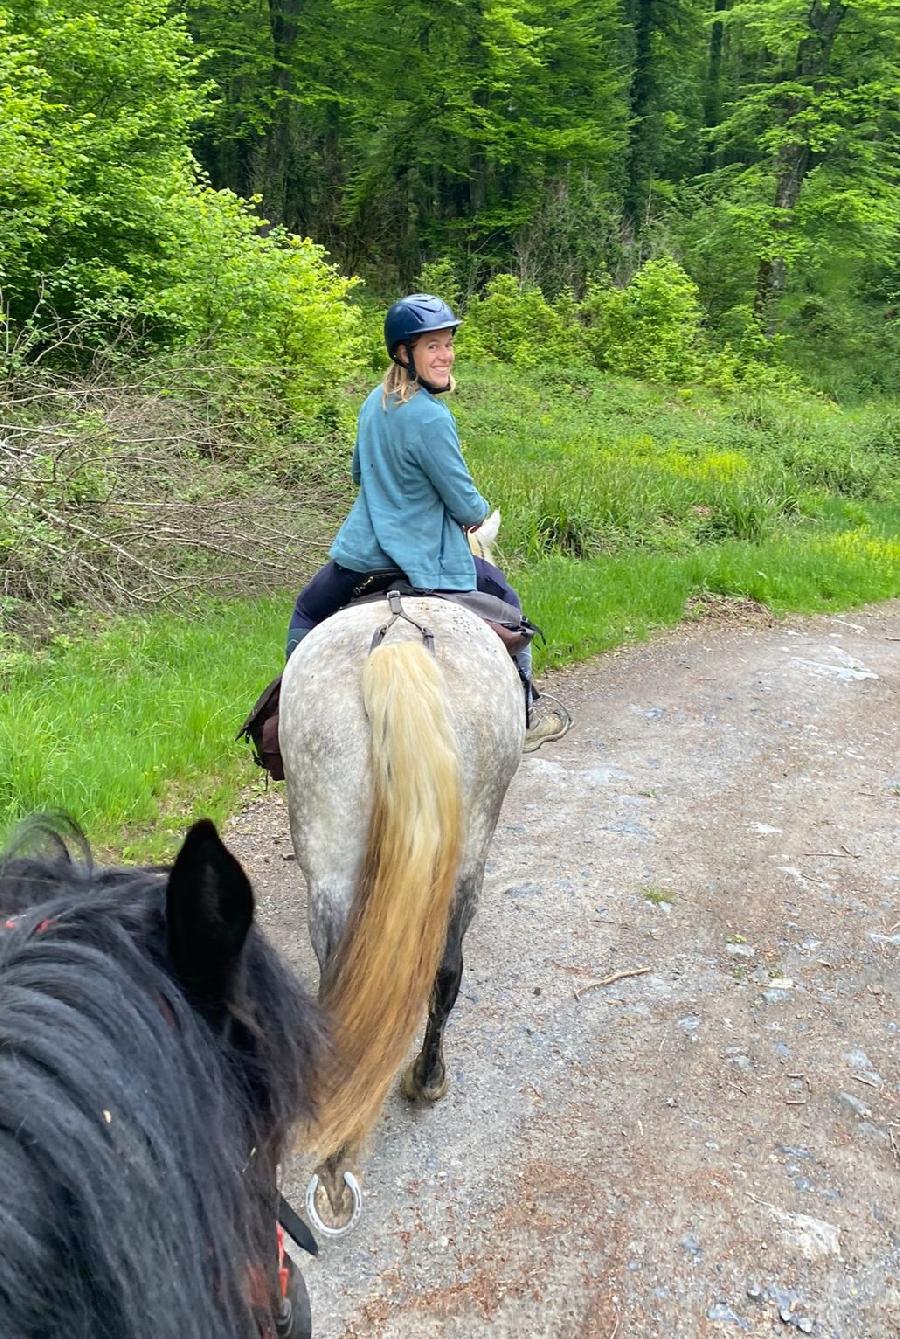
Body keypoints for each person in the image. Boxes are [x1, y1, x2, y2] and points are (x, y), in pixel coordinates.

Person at [285, 292, 571, 751]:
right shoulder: (431, 418)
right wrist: (476, 514)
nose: (444, 355)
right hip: (428, 561)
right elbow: (465, 504)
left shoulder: (372, 403)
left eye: (447, 344)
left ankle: (287, 729)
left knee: (306, 609)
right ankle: (527, 714)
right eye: (432, 346)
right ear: (405, 353)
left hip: (362, 555)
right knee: (512, 609)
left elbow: (359, 471)